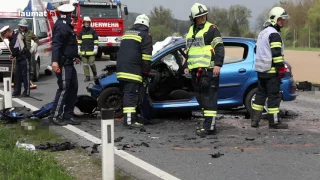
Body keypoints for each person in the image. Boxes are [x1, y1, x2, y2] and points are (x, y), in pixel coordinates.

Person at [184, 3, 225, 136]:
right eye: (200, 17)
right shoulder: (191, 30)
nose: (203, 18)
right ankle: (208, 124)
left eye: (204, 15)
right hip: (195, 71)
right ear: (193, 18)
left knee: (209, 98)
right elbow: (189, 50)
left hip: (209, 69)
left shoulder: (212, 29)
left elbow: (219, 47)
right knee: (201, 97)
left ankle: (209, 128)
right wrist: (185, 66)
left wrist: (218, 65)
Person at [251, 7, 289, 129]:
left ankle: (254, 121)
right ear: (274, 19)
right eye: (281, 20)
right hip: (271, 72)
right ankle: (274, 122)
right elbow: (277, 55)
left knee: (260, 95)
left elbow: (256, 49)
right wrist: (281, 69)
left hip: (261, 71)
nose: (283, 22)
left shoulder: (262, 33)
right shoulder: (274, 34)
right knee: (274, 96)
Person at [116, 14, 153, 128]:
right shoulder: (145, 35)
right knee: (131, 96)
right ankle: (129, 121)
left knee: (127, 94)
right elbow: (146, 57)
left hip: (121, 69)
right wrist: (146, 72)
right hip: (133, 71)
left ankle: (130, 118)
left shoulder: (127, 33)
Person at [49, 4, 81, 126]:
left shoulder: (66, 25)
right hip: (63, 63)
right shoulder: (62, 26)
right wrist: (55, 61)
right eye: (71, 14)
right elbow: (56, 44)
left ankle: (68, 115)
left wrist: (75, 56)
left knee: (73, 87)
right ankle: (55, 116)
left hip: (69, 62)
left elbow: (68, 45)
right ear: (68, 14)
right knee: (64, 88)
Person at [0, 25, 31, 97]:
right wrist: (13, 55)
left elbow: (19, 48)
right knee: (17, 75)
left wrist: (14, 54)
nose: (4, 36)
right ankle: (17, 91)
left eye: (4, 34)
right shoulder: (11, 38)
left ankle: (27, 92)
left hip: (24, 57)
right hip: (18, 58)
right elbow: (15, 49)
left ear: (8, 31)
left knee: (25, 75)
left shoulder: (18, 36)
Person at [18, 18, 39, 89]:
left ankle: (29, 81)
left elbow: (36, 40)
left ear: (26, 26)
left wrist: (33, 48)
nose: (22, 28)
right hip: (19, 53)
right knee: (17, 68)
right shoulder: (16, 33)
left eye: (23, 26)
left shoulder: (30, 33)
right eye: (21, 26)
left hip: (27, 52)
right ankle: (18, 82)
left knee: (29, 67)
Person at [77, 16, 99, 82]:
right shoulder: (81, 32)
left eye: (88, 23)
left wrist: (95, 48)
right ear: (83, 23)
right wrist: (78, 48)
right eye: (85, 23)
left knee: (91, 63)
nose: (87, 24)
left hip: (91, 51)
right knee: (85, 64)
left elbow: (96, 40)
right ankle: (87, 77)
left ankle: (95, 75)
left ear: (89, 23)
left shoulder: (93, 31)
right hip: (83, 51)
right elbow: (79, 41)